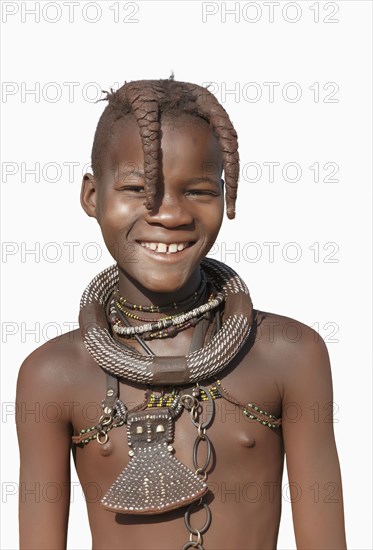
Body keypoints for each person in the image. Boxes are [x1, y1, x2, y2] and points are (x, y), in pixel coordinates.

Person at [16, 77, 347, 550]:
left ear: (227, 193)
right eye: (136, 187)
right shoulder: (51, 376)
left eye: (198, 191)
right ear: (92, 196)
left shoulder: (290, 354)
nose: (169, 215)